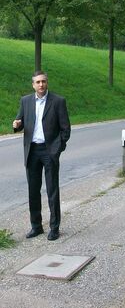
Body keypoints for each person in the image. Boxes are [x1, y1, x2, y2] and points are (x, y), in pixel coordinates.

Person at [13, 71, 71, 241]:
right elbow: (20, 121)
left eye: (43, 81)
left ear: (47, 83)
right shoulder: (26, 101)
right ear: (33, 85)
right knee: (33, 190)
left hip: (49, 151)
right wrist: (17, 124)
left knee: (52, 190)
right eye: (37, 82)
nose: (41, 85)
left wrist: (57, 148)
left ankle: (54, 228)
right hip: (32, 151)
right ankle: (36, 226)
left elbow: (65, 129)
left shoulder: (58, 101)